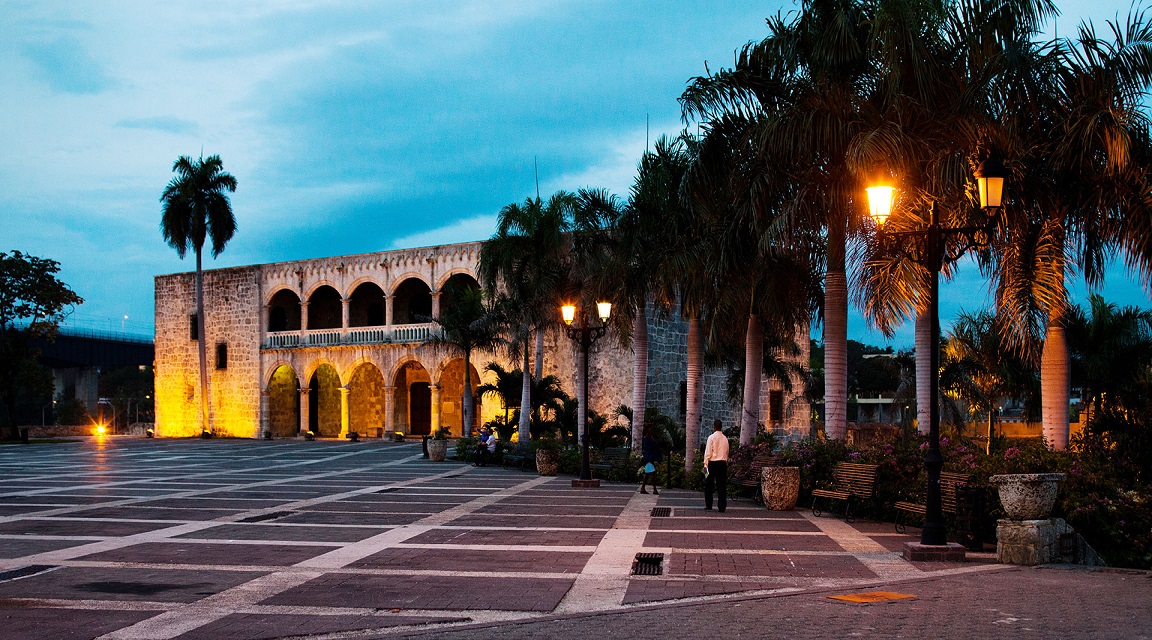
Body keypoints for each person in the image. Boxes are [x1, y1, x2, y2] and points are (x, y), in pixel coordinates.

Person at [703, 418, 729, 512]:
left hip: (712, 463)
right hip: (722, 463)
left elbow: (708, 453)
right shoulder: (725, 439)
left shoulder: (711, 438)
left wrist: (705, 466)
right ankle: (722, 506)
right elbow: (727, 452)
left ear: (714, 427)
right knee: (721, 485)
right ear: (721, 427)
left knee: (708, 484)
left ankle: (709, 504)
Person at [639, 424, 662, 495]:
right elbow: (648, 448)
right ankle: (654, 489)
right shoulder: (647, 438)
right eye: (650, 429)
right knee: (652, 473)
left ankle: (643, 488)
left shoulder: (651, 437)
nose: (652, 430)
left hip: (650, 457)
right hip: (649, 457)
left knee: (648, 473)